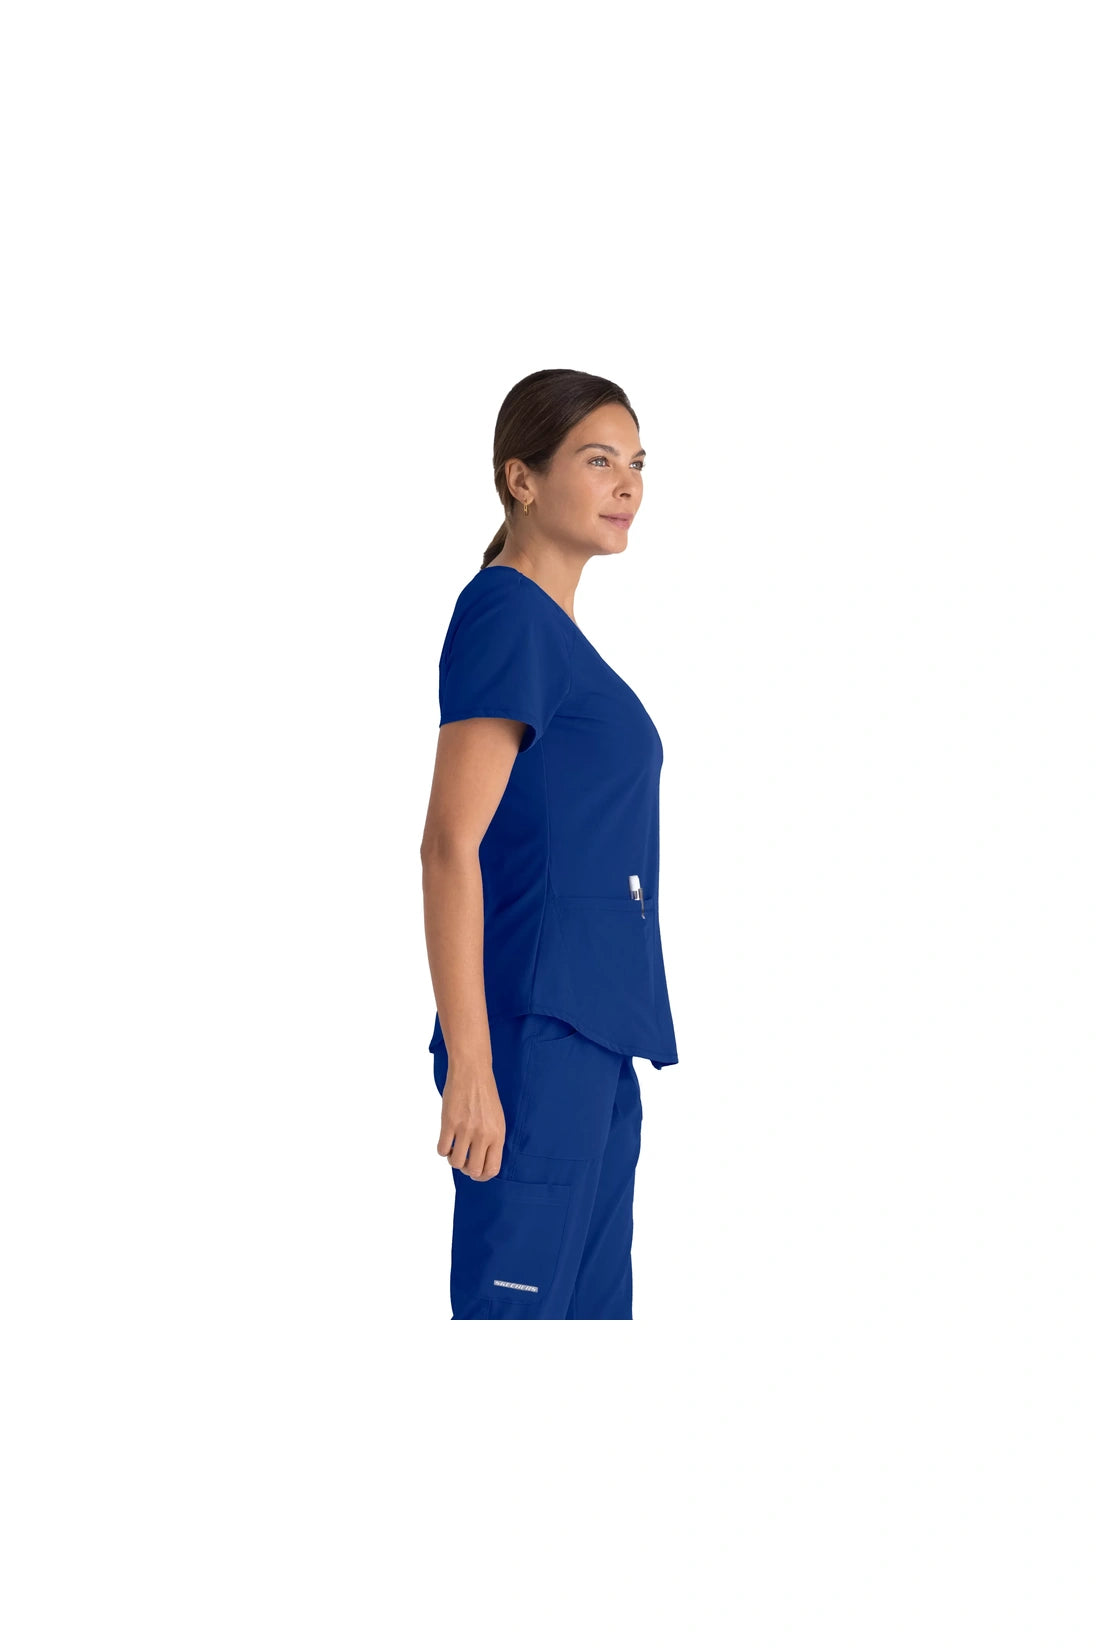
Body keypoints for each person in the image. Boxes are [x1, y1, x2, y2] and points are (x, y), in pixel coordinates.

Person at [420, 368, 679, 1320]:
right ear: (521, 479)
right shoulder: (509, 615)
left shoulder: (556, 635)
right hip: (534, 1039)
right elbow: (448, 846)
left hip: (596, 1032)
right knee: (516, 1330)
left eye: (637, 463)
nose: (628, 484)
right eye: (598, 460)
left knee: (591, 1328)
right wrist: (473, 1064)